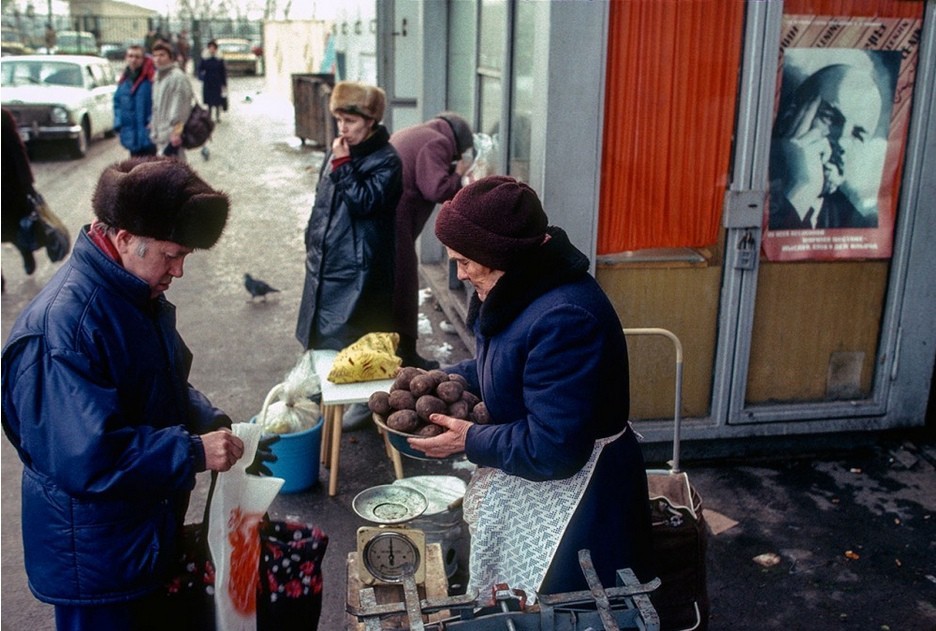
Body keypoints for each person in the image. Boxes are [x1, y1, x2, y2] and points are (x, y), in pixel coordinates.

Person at [0, 157, 252, 629]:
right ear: (123, 241)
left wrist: (206, 418)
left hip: (133, 540)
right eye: (171, 254)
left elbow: (158, 383)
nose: (178, 271)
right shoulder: (64, 328)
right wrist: (192, 450)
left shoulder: (131, 295)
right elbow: (90, 458)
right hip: (95, 564)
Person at [408, 176, 654, 598]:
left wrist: (468, 440)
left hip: (582, 503)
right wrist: (443, 380)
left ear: (502, 253)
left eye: (466, 262)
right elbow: (505, 365)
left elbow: (553, 447)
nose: (460, 273)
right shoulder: (514, 286)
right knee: (515, 602)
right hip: (533, 477)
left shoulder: (565, 317)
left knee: (566, 610)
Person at [295, 80, 402, 352]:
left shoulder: (387, 160)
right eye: (340, 119)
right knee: (318, 346)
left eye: (351, 120)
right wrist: (312, 238)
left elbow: (365, 203)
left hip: (358, 272)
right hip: (324, 261)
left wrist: (343, 165)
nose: (343, 127)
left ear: (370, 121)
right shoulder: (338, 150)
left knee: (350, 348)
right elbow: (321, 198)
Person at [389, 112, 474, 369]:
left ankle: (396, 351)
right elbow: (436, 189)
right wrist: (459, 174)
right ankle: (404, 355)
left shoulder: (419, 132)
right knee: (403, 284)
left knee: (395, 284)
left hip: (386, 215)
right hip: (395, 218)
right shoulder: (438, 143)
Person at [769, 61, 883, 230]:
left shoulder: (858, 225)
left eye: (857, 134)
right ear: (791, 114)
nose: (842, 141)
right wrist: (801, 189)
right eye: (830, 117)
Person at [1, 107, 39, 279]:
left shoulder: (2, 116)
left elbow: (17, 150)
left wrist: (27, 183)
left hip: (7, 187)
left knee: (14, 229)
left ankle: (25, 249)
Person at [150, 41, 193, 160]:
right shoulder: (158, 77)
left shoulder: (177, 77)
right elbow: (156, 106)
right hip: (160, 133)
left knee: (175, 171)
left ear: (171, 57)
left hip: (172, 135)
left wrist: (177, 132)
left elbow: (182, 108)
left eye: (162, 55)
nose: (157, 59)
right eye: (155, 55)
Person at [113, 45, 157, 157]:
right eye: (130, 56)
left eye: (137, 57)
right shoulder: (124, 81)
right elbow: (117, 103)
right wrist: (119, 123)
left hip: (149, 135)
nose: (133, 60)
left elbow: (158, 103)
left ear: (143, 59)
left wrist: (153, 121)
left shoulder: (150, 79)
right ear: (126, 58)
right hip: (131, 135)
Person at [198, 40, 227, 123]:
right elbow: (200, 69)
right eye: (210, 48)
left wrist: (224, 84)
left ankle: (217, 116)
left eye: (213, 48)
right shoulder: (205, 58)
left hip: (217, 81)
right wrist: (202, 77)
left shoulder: (219, 59)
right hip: (208, 81)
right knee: (209, 101)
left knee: (218, 100)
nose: (212, 50)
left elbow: (223, 71)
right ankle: (209, 116)